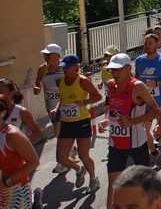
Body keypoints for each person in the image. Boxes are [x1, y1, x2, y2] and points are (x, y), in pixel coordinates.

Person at [98, 53, 160, 209]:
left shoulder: (137, 86)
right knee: (113, 185)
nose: (115, 73)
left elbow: (155, 111)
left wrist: (132, 122)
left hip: (137, 144)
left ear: (128, 68)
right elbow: (114, 109)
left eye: (118, 70)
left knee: (145, 187)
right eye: (112, 70)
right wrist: (107, 121)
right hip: (116, 144)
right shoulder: (111, 85)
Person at [49, 54, 102, 193]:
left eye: (67, 68)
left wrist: (85, 102)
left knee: (84, 155)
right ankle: (79, 170)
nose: (65, 70)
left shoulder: (83, 81)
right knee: (61, 157)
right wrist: (57, 108)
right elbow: (63, 98)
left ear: (75, 66)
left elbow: (98, 96)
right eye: (64, 68)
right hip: (66, 123)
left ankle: (94, 179)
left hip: (82, 122)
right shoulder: (59, 81)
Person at [135, 33, 161, 166]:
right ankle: (153, 152)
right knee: (144, 130)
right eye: (146, 43)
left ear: (157, 44)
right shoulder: (139, 60)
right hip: (145, 103)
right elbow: (136, 78)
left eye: (150, 43)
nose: (147, 46)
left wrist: (157, 83)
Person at [0, 94, 41, 209]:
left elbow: (34, 162)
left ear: (3, 112)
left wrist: (5, 183)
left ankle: (35, 199)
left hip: (14, 191)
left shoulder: (11, 135)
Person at [33, 43, 66, 173]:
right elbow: (37, 83)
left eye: (48, 55)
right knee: (59, 133)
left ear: (57, 55)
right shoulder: (42, 69)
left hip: (68, 105)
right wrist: (36, 88)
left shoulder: (66, 68)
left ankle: (64, 158)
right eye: (45, 55)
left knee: (63, 133)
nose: (45, 57)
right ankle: (64, 158)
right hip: (52, 107)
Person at [0, 79, 43, 144]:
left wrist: (21, 145)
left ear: (12, 93)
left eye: (0, 92)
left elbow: (38, 133)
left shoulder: (21, 112)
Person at [98, 45, 119, 120]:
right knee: (107, 106)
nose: (107, 58)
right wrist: (101, 83)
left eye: (109, 56)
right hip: (108, 91)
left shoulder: (119, 68)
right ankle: (107, 120)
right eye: (106, 56)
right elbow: (106, 78)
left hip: (118, 91)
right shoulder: (106, 67)